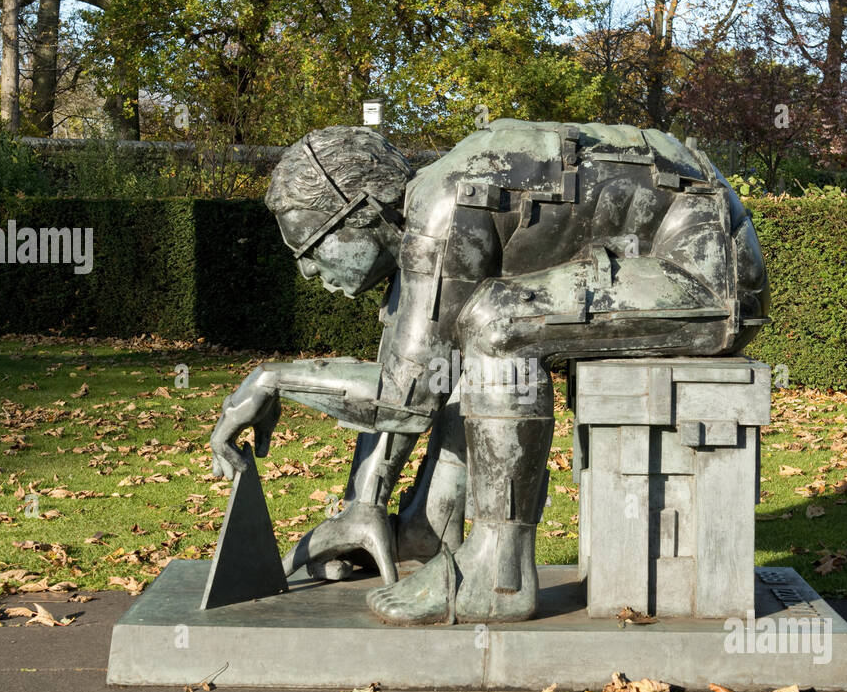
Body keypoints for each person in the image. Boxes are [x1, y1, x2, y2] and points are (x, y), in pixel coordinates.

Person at [209, 119, 769, 625]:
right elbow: (417, 372)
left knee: (498, 322)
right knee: (470, 337)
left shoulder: (443, 209)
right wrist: (365, 504)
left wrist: (272, 380)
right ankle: (429, 532)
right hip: (678, 260)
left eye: (311, 246)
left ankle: (499, 576)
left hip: (710, 278)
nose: (309, 270)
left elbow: (400, 400)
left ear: (360, 212)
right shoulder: (433, 207)